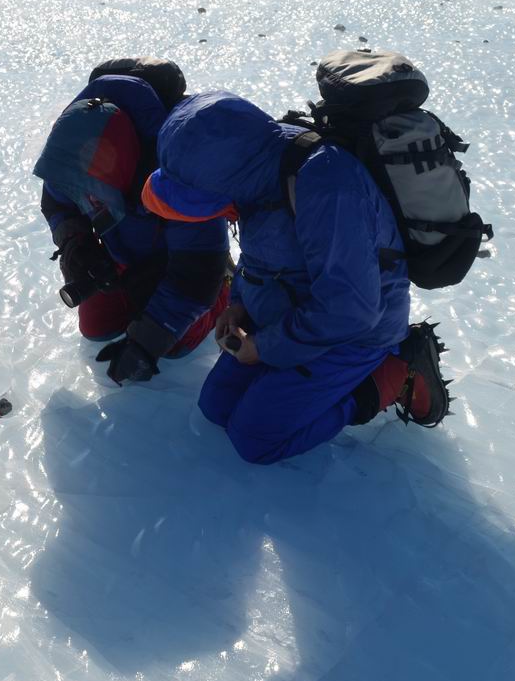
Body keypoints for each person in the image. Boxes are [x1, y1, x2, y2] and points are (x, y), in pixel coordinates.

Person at [141, 92, 450, 464]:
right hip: (289, 311)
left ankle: (392, 372)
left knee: (254, 439)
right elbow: (261, 254)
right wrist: (239, 303)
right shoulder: (258, 170)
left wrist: (266, 347)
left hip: (356, 332)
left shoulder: (326, 187)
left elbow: (351, 310)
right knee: (216, 408)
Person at [34, 60, 231, 384]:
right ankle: (138, 292)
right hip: (122, 253)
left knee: (176, 345)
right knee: (97, 329)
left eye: (96, 196)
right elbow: (56, 202)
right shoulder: (74, 145)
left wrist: (148, 340)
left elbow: (198, 273)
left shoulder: (179, 177)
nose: (89, 203)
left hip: (185, 261)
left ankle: (227, 284)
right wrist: (75, 244)